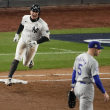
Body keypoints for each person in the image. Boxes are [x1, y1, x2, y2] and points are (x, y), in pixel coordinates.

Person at [6, 4, 50, 86]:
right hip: (23, 41)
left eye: (36, 11)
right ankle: (9, 78)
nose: (34, 13)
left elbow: (47, 37)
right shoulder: (25, 18)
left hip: (33, 44)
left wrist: (36, 42)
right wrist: (17, 34)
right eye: (33, 11)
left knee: (25, 64)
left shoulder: (43, 24)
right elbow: (21, 25)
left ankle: (30, 61)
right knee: (17, 59)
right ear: (30, 11)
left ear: (39, 13)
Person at [70, 41, 109, 110]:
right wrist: (104, 92)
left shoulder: (79, 57)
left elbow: (74, 73)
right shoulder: (93, 62)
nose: (100, 51)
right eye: (98, 49)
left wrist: (73, 87)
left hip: (77, 88)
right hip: (86, 89)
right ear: (93, 49)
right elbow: (96, 80)